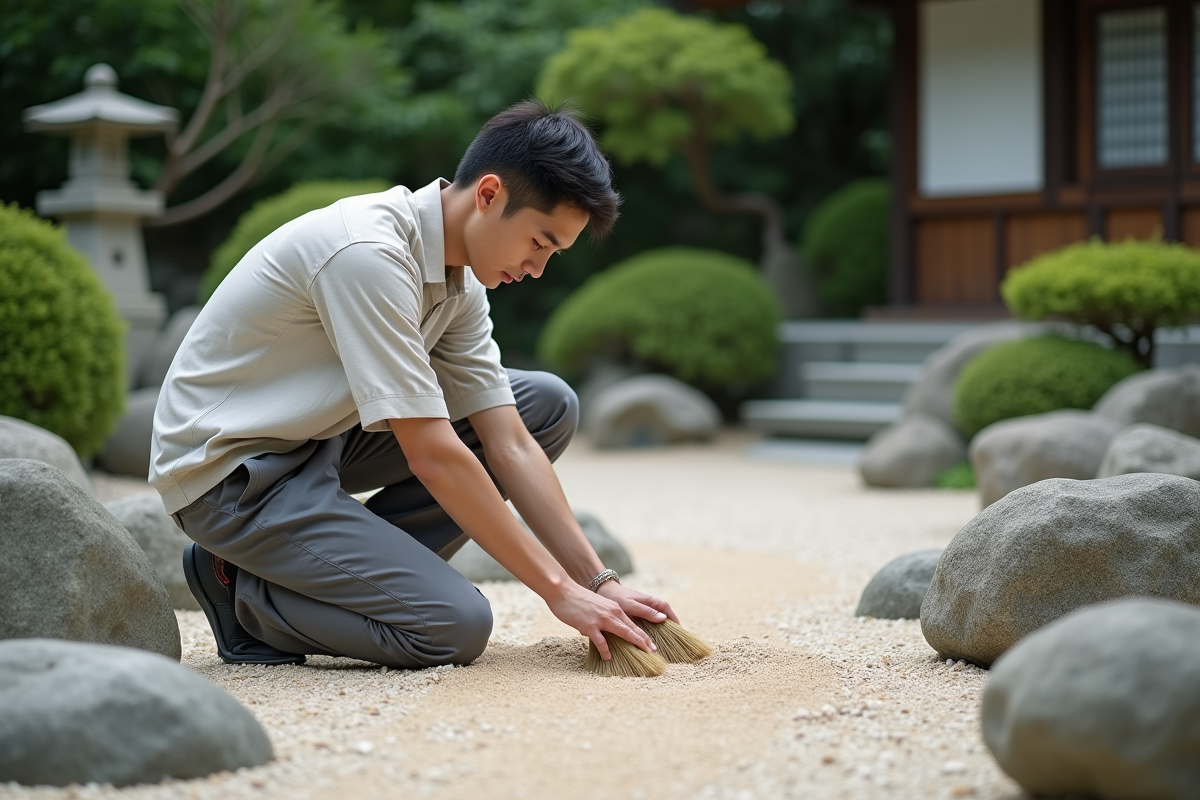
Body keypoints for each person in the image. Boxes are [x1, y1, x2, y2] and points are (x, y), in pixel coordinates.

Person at [151, 100, 678, 668]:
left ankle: (327, 572)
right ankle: (244, 593)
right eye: (539, 243)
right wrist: (556, 591)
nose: (536, 269)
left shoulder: (463, 281)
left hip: (314, 442)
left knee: (543, 407)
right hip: (231, 474)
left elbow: (511, 441)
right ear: (489, 195)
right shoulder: (368, 255)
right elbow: (430, 452)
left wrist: (597, 582)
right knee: (453, 627)